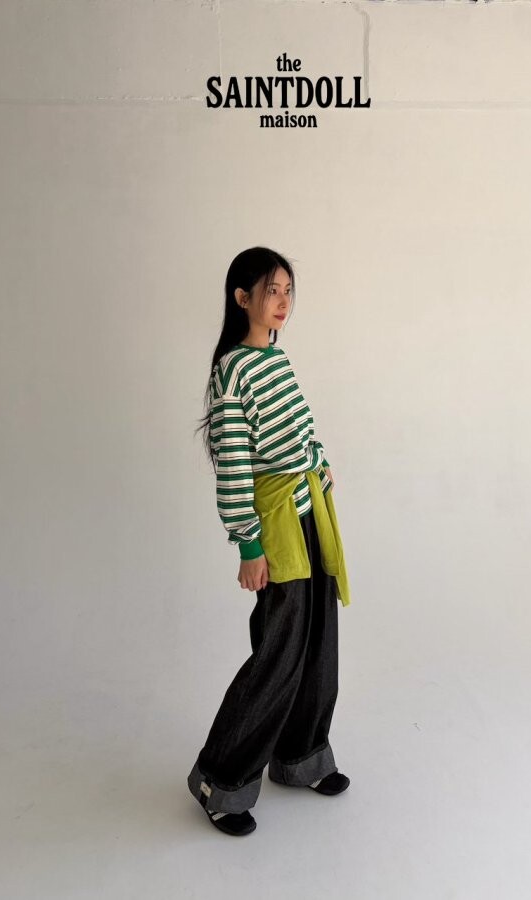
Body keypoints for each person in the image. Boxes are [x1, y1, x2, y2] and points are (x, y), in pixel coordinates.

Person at [188, 246, 352, 837]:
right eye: (271, 290)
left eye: (288, 290)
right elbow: (235, 465)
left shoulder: (275, 359)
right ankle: (220, 781)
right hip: (276, 526)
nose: (283, 301)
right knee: (280, 652)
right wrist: (249, 546)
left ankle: (300, 757)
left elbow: (302, 428)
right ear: (242, 298)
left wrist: (321, 463)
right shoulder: (232, 370)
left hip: (310, 515)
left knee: (318, 643)